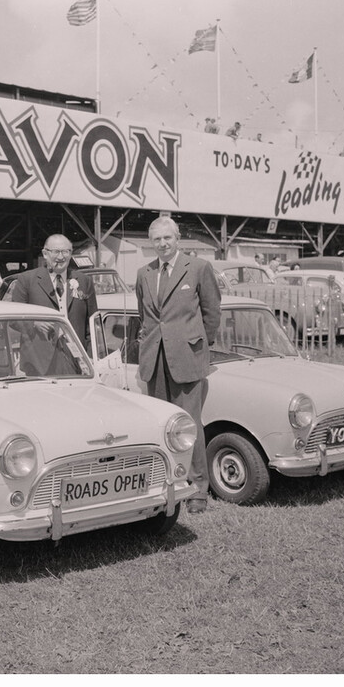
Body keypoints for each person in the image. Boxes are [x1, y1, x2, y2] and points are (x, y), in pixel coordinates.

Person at [135, 217, 221, 515]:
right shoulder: (145, 273)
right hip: (154, 360)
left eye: (167, 238)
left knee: (189, 423)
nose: (162, 244)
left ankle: (197, 489)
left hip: (187, 360)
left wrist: (198, 348)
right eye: (156, 240)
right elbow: (146, 318)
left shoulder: (198, 268)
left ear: (178, 238)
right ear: (151, 243)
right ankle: (165, 483)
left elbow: (212, 312)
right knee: (160, 425)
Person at [9, 234, 97, 349]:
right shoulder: (26, 280)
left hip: (76, 358)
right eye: (56, 251)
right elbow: (13, 319)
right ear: (45, 254)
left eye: (65, 251)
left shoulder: (85, 281)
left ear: (71, 254)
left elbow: (93, 323)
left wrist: (90, 356)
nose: (61, 257)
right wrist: (34, 324)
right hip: (40, 360)